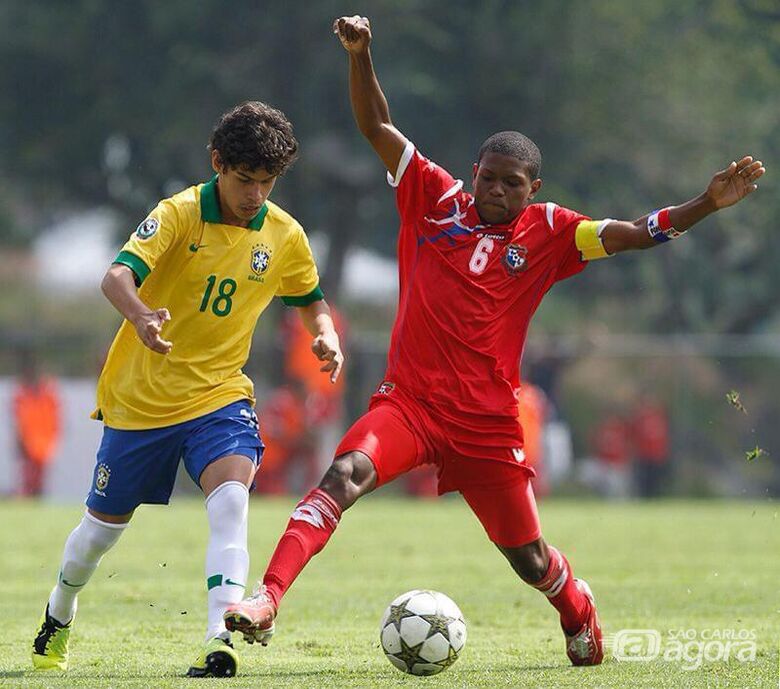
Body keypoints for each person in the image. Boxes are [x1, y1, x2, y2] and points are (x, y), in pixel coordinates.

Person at [224, 15, 766, 668]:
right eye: (490, 177)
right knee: (342, 475)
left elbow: (635, 232)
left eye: (514, 183)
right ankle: (267, 598)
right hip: (410, 403)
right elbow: (375, 126)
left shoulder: (551, 232)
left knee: (529, 559)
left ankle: (576, 605)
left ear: (533, 188)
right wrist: (361, 55)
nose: (499, 191)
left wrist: (704, 203)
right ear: (474, 171)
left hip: (486, 422)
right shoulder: (430, 196)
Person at [31, 101, 344, 678]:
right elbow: (116, 275)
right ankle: (60, 610)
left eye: (267, 182)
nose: (255, 194)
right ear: (217, 163)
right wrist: (142, 316)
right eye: (244, 180)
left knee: (231, 500)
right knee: (97, 537)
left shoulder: (284, 235)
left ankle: (217, 640)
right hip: (140, 401)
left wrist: (324, 334)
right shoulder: (177, 214)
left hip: (220, 395)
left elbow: (309, 298)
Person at [12, 350, 61, 497]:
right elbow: (18, 419)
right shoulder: (22, 394)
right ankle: (27, 499)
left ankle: (34, 498)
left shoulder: (48, 392)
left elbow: (55, 419)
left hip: (43, 444)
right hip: (29, 444)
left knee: (38, 479)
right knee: (28, 478)